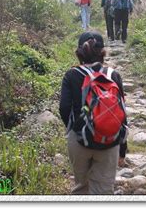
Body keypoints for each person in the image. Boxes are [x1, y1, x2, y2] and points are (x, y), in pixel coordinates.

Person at [59, 31, 128, 195]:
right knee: (103, 191)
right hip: (109, 140)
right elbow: (122, 114)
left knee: (81, 187)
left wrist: (74, 130)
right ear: (102, 52)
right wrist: (122, 149)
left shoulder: (71, 75)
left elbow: (64, 108)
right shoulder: (113, 75)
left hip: (79, 140)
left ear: (79, 52)